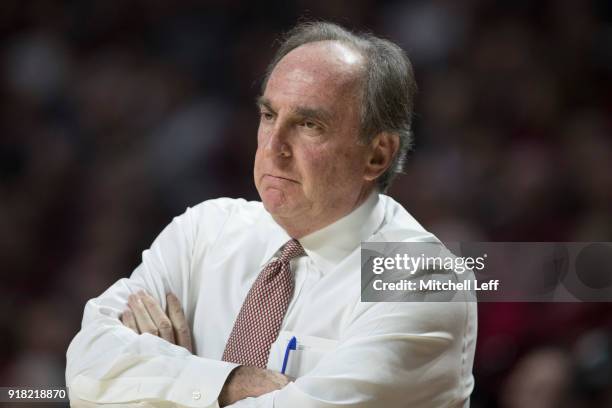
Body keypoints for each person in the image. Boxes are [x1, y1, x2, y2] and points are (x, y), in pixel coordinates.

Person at [66, 21, 477, 407]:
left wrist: (165, 380)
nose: (272, 146)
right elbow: (85, 370)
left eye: (309, 124)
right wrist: (228, 384)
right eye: (268, 115)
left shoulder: (422, 277)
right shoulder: (203, 231)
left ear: (377, 154)